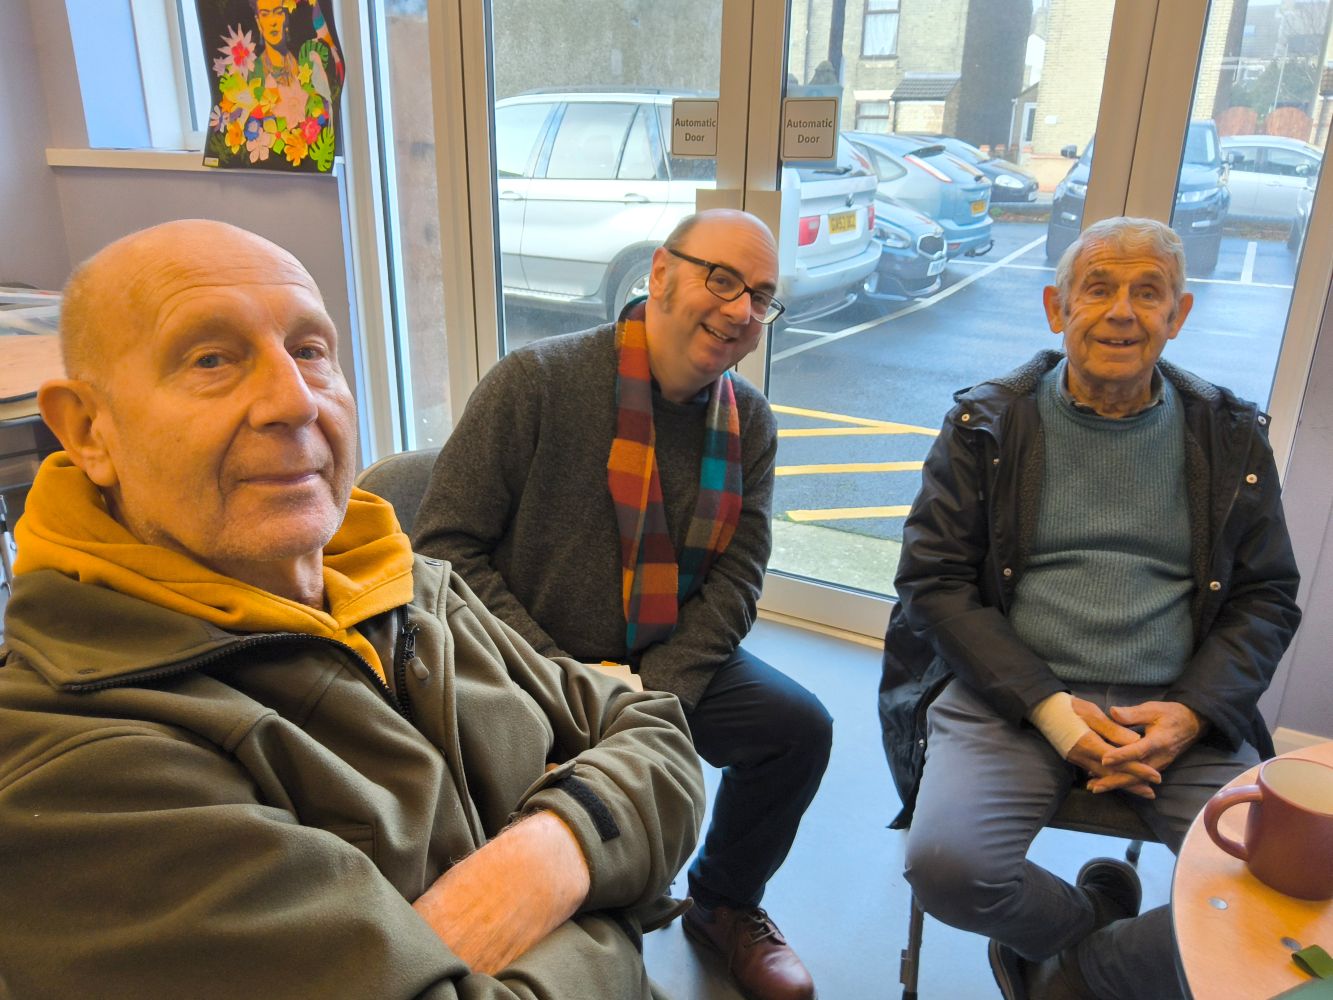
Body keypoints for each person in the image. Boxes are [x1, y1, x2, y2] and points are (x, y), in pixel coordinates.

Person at [0, 219, 705, 999]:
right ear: (89, 429)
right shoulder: (73, 768)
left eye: (309, 351)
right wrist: (611, 906)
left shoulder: (403, 580)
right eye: (211, 358)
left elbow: (656, 731)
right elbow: (637, 780)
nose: (291, 401)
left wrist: (550, 854)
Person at [414, 208, 832, 1000]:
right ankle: (578, 931)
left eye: (762, 296)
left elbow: (739, 578)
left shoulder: (751, 422)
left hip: (658, 666)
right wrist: (566, 680)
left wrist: (654, 693)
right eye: (721, 279)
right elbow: (445, 549)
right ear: (661, 275)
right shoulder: (535, 382)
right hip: (522, 665)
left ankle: (724, 902)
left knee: (796, 730)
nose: (742, 311)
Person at [880, 216, 1302, 1000]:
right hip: (1010, 695)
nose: (1121, 312)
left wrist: (1191, 711)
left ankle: (1082, 973)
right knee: (946, 869)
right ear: (1054, 307)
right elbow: (933, 581)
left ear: (1178, 316)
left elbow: (1266, 594)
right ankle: (1083, 928)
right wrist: (1051, 712)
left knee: (1283, 891)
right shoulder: (986, 425)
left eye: (1148, 293)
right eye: (1098, 288)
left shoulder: (1229, 435)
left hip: (1176, 711)